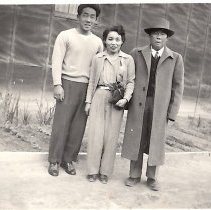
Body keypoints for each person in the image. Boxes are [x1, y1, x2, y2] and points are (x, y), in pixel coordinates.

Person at [122, 17, 184, 191]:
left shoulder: (175, 58)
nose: (158, 37)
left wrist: (172, 112)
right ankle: (134, 175)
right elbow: (129, 78)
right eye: (155, 33)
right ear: (149, 36)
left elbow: (178, 88)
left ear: (167, 37)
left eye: (162, 34)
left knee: (155, 140)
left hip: (160, 108)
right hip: (139, 104)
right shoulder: (137, 53)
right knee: (137, 138)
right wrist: (126, 102)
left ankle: (152, 177)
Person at [48, 4, 103, 176]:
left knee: (78, 126)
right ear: (78, 16)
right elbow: (56, 61)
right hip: (67, 83)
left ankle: (68, 159)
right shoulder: (65, 36)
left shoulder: (98, 42)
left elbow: (99, 68)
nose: (88, 19)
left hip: (86, 87)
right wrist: (58, 84)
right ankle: (54, 161)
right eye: (85, 15)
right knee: (61, 124)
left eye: (92, 16)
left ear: (96, 20)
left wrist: (94, 92)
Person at [85, 25, 135, 184]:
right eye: (110, 39)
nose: (114, 42)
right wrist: (88, 101)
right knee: (95, 135)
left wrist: (125, 99)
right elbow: (92, 81)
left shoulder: (128, 59)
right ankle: (92, 171)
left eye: (117, 39)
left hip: (117, 100)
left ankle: (105, 172)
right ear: (105, 41)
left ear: (122, 41)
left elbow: (130, 82)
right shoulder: (98, 58)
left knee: (111, 137)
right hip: (99, 96)